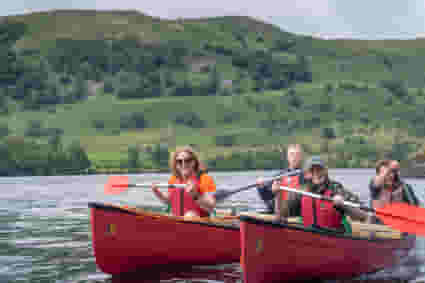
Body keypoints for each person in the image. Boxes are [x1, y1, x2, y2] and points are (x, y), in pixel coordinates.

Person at [272, 156, 368, 230]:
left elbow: (363, 216)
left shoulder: (337, 189)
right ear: (306, 174)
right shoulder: (300, 192)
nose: (316, 173)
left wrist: (344, 206)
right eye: (312, 170)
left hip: (334, 241)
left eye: (319, 169)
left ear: (325, 171)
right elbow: (280, 218)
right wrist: (278, 195)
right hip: (308, 240)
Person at [151, 146, 216, 217]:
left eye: (187, 160)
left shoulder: (204, 179)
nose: (183, 164)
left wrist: (195, 195)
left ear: (194, 162)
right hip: (177, 221)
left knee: (190, 215)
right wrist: (157, 192)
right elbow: (168, 201)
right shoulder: (173, 180)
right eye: (179, 161)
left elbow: (211, 206)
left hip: (199, 222)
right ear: (176, 165)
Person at [256, 144, 308, 214]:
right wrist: (261, 187)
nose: (294, 158)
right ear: (288, 157)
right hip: (280, 211)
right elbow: (266, 197)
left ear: (301, 157)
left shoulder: (307, 175)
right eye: (292, 154)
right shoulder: (280, 176)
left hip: (297, 212)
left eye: (297, 155)